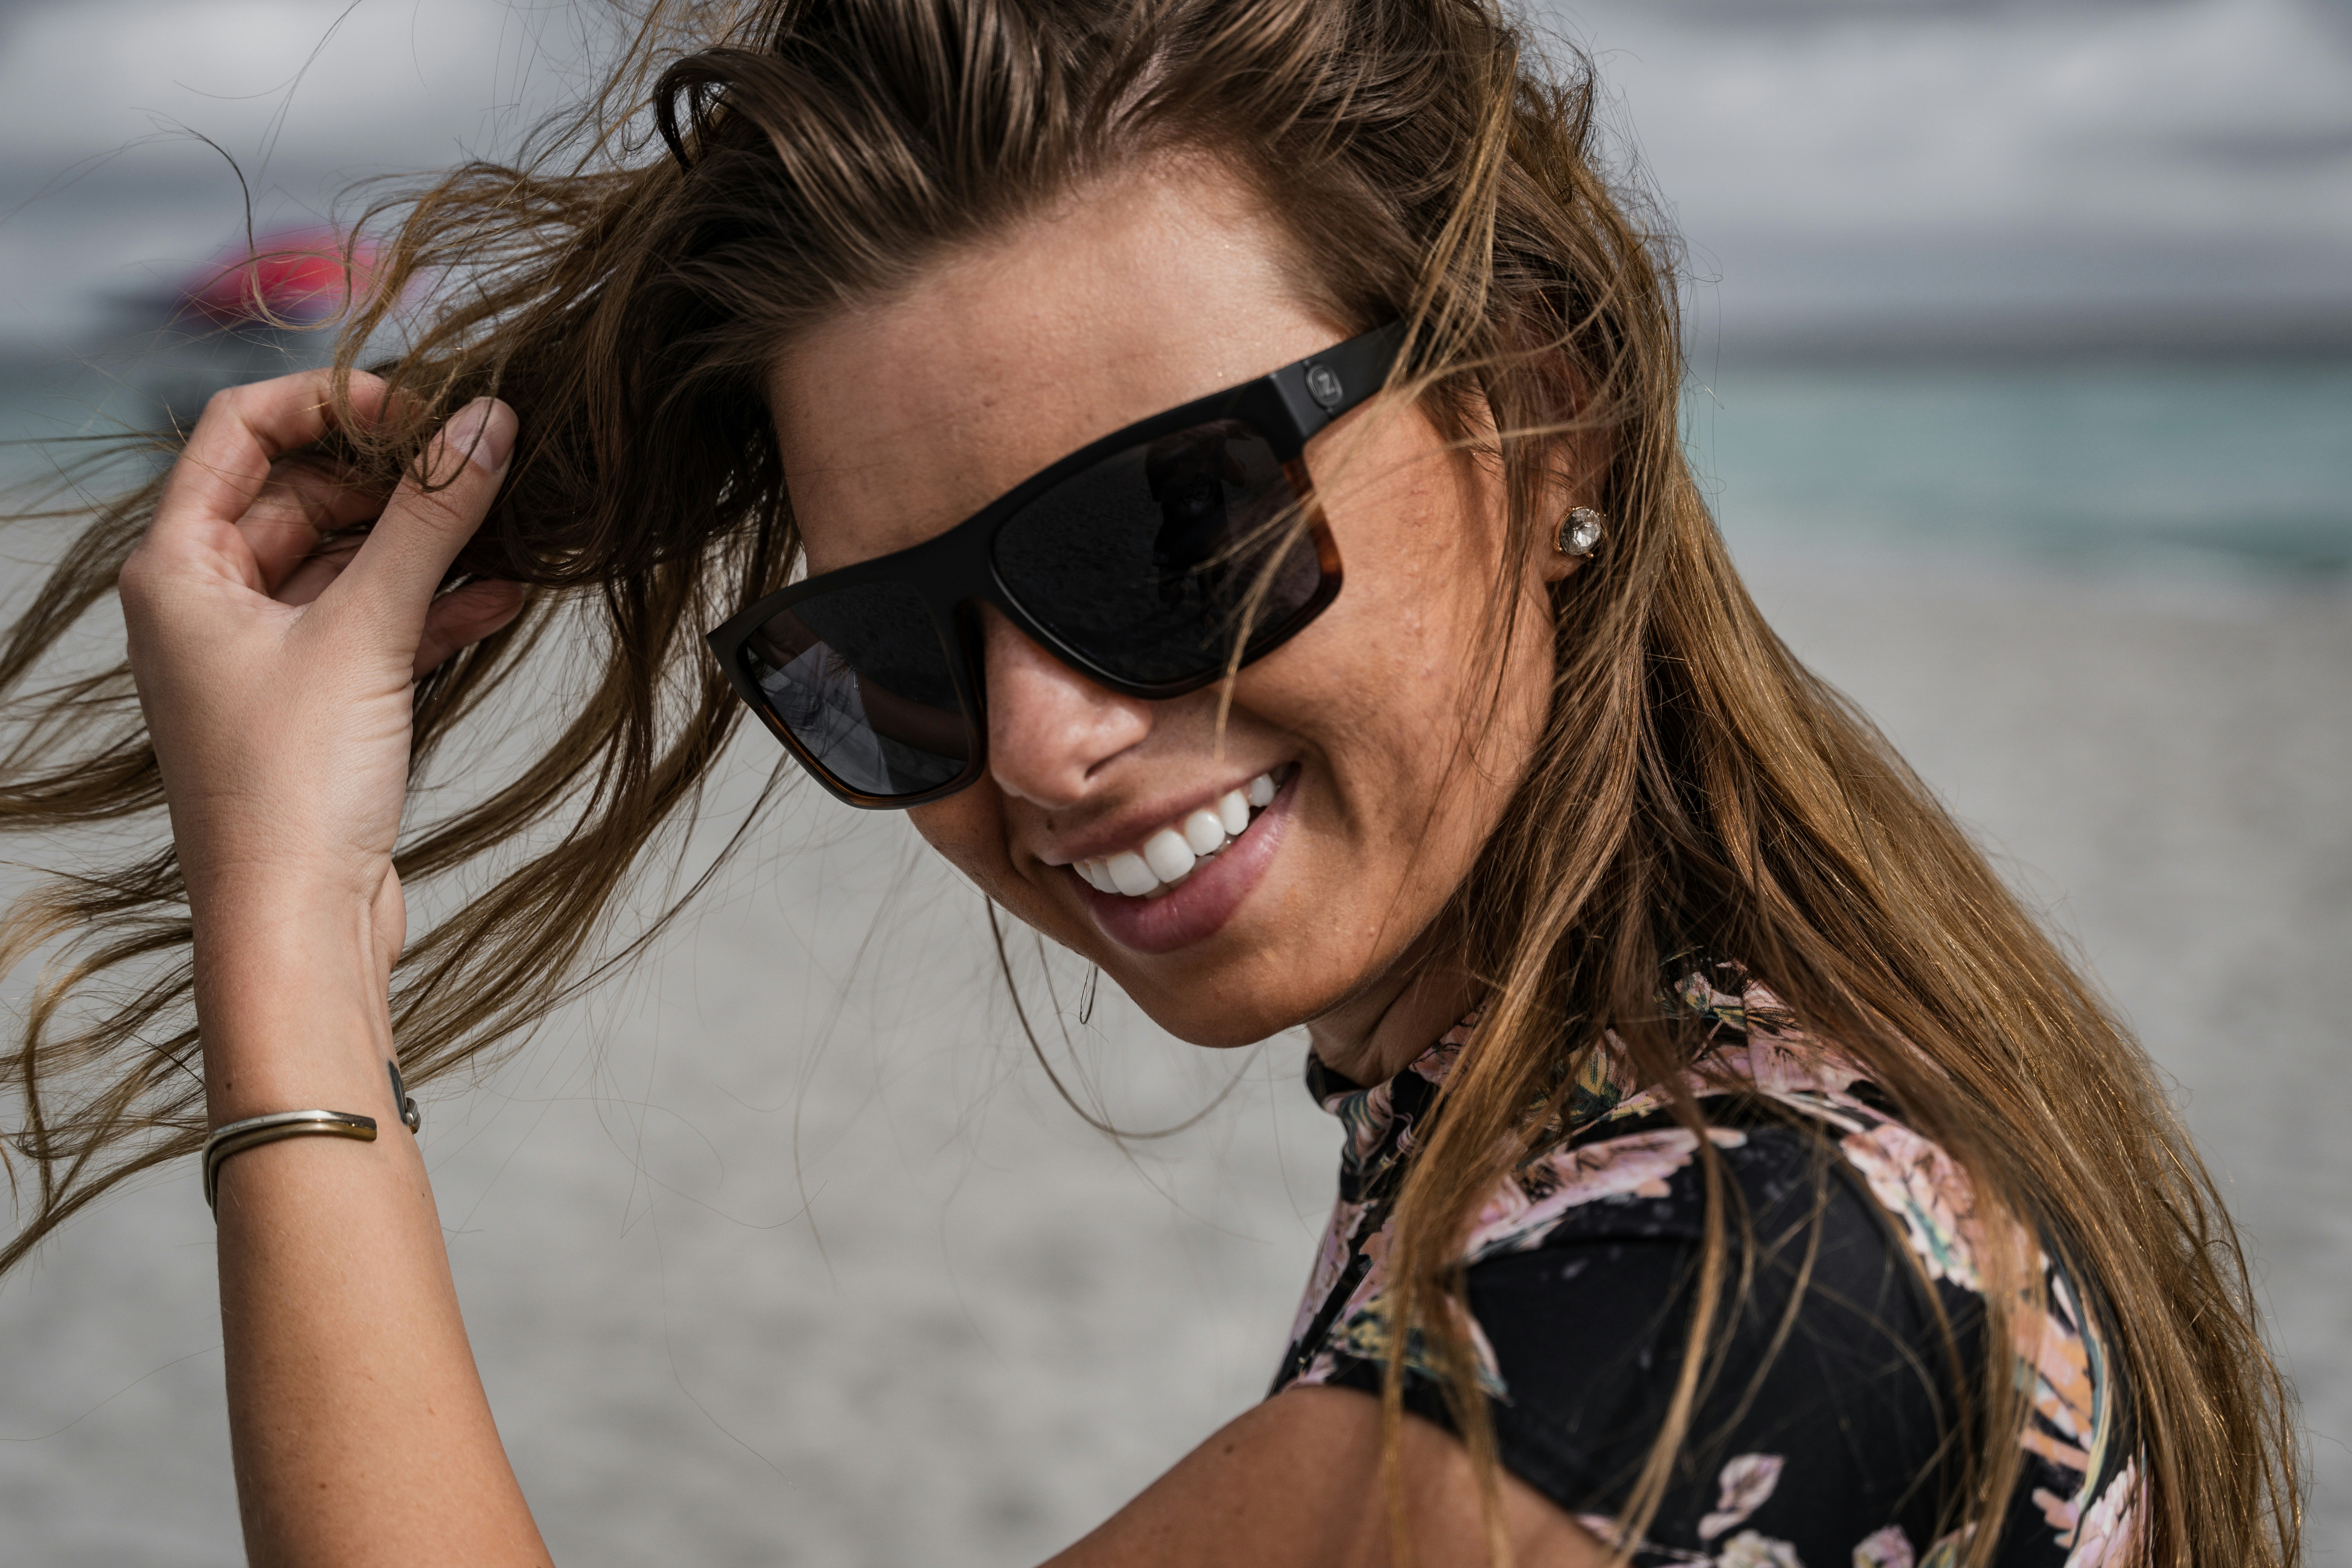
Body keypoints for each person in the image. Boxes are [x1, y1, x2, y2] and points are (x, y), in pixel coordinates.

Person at [0, 2, 2299, 1564]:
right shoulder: (1669, 1113)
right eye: (892, 647)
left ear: (1545, 410)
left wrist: (285, 925)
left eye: (1166, 536)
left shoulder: (1715, 1306)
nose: (1039, 743)